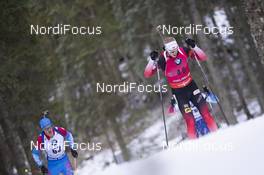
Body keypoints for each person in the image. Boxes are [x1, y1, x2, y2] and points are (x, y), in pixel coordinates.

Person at [144, 37, 218, 139]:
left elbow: (203, 57)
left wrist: (194, 47)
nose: (174, 53)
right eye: (171, 51)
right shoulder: (163, 59)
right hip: (179, 93)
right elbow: (147, 74)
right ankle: (195, 144)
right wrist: (152, 61)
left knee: (206, 114)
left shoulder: (183, 51)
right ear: (166, 50)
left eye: (175, 49)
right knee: (190, 121)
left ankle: (218, 137)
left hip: (191, 86)